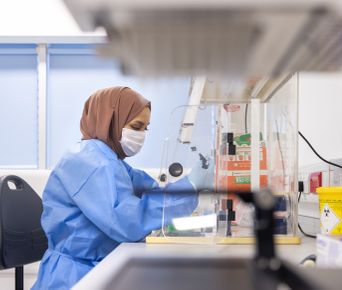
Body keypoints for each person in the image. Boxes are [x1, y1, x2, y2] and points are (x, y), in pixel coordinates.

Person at [31, 86, 212, 290]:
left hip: (96, 267)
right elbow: (129, 221)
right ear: (110, 120)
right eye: (136, 126)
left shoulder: (109, 159)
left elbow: (148, 189)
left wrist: (187, 188)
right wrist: (192, 186)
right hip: (76, 277)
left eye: (145, 128)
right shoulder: (92, 161)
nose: (142, 135)